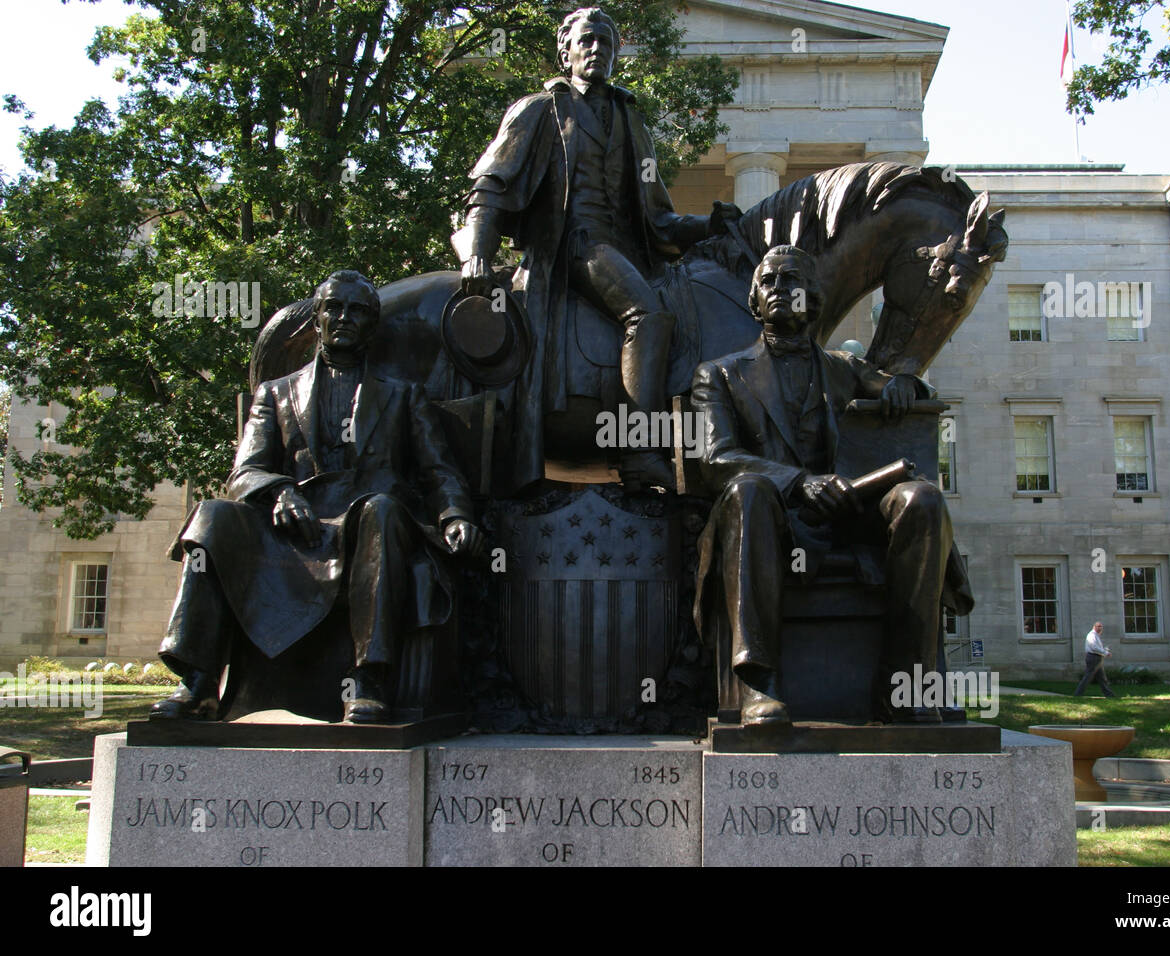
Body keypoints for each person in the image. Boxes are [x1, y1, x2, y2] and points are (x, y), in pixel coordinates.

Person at [151, 270, 485, 724]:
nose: (345, 318)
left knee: (383, 510)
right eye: (335, 308)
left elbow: (438, 470)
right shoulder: (275, 393)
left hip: (366, 524)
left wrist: (454, 516)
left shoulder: (404, 395)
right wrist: (280, 490)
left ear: (373, 325)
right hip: (295, 527)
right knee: (211, 516)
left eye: (359, 311)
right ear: (317, 320)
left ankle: (367, 682)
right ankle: (198, 682)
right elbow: (245, 471)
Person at [456, 6, 741, 490]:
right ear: (564, 50)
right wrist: (476, 253)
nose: (596, 50)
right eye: (586, 40)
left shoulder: (630, 118)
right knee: (648, 314)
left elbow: (659, 217)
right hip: (572, 246)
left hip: (627, 249)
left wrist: (710, 224)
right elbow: (491, 185)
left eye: (606, 43)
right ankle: (638, 450)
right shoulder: (540, 109)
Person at [690, 245, 973, 726]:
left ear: (813, 300)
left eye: (793, 280)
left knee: (922, 500)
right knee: (748, 490)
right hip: (768, 521)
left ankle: (904, 685)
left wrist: (905, 384)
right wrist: (800, 484)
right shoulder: (718, 375)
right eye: (770, 281)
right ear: (755, 302)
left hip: (844, 518)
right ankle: (759, 685)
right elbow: (714, 459)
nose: (780, 289)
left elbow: (899, 387)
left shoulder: (844, 368)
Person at [1073, 621, 1116, 697]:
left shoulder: (1096, 636)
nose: (1100, 628)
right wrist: (1105, 653)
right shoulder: (1092, 635)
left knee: (1102, 678)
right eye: (1098, 626)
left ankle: (1109, 694)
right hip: (1093, 658)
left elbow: (1097, 648)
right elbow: (1094, 647)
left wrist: (1104, 650)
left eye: (1101, 626)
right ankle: (1078, 694)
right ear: (1094, 627)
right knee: (1088, 677)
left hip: (1097, 658)